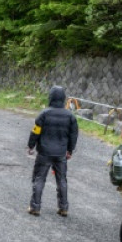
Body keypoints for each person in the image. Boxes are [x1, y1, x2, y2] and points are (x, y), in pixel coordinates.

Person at [25, 86, 78, 218]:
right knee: (62, 180)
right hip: (61, 153)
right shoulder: (70, 116)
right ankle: (63, 208)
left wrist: (31, 145)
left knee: (39, 178)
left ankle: (35, 207)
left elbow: (35, 131)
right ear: (63, 98)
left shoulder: (44, 114)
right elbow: (73, 135)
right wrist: (70, 150)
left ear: (51, 97)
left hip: (44, 152)